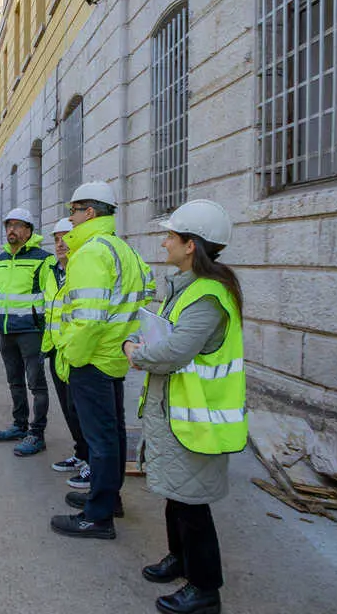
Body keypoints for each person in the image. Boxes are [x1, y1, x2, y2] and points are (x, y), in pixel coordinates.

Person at [123, 200, 245, 614]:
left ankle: (205, 589)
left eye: (171, 237)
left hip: (196, 421)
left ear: (191, 245)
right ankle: (180, 559)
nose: (165, 243)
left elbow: (174, 352)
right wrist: (144, 342)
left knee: (192, 505)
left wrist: (135, 351)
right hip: (176, 414)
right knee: (176, 495)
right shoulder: (188, 287)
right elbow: (168, 339)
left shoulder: (208, 297)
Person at [50, 181, 154, 540]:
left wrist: (72, 356)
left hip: (92, 358)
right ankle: (108, 499)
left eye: (74, 211)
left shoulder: (91, 253)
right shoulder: (124, 249)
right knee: (112, 434)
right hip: (113, 356)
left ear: (90, 212)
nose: (70, 219)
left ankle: (98, 517)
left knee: (101, 439)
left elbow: (89, 320)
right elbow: (147, 291)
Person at [0, 207, 56, 457]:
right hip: (7, 331)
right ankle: (19, 425)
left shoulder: (44, 259)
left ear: (29, 231)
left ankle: (37, 434)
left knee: (36, 384)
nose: (12, 230)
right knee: (14, 381)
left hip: (31, 331)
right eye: (9, 225)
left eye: (17, 226)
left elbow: (51, 297)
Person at [41, 217, 91, 486]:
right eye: (56, 238)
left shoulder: (84, 270)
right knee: (69, 409)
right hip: (56, 350)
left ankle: (92, 463)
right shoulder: (52, 271)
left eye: (66, 238)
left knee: (83, 410)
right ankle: (81, 453)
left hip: (78, 351)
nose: (60, 244)